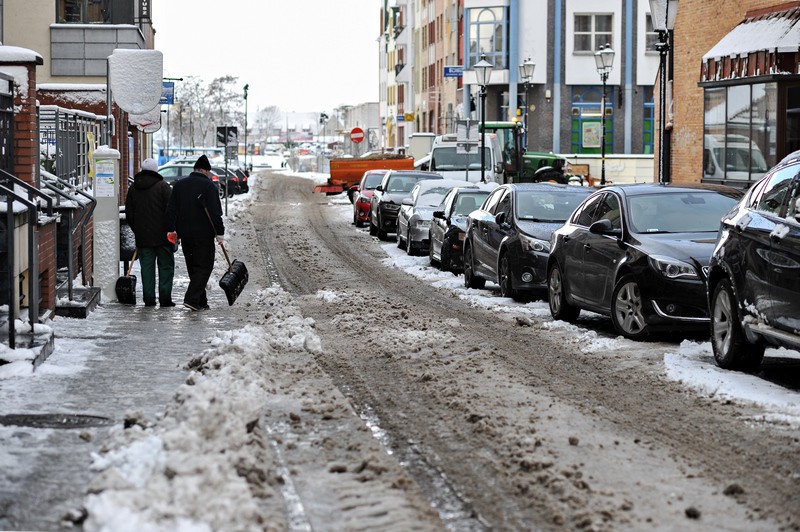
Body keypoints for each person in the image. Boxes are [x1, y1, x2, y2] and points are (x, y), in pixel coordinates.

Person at [166, 154, 225, 311]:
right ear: (205, 171)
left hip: (185, 235)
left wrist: (171, 228)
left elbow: (171, 210)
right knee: (204, 267)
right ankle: (192, 299)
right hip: (204, 235)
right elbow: (215, 213)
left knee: (193, 267)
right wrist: (220, 233)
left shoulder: (180, 185)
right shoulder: (209, 187)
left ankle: (201, 301)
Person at [125, 158, 175, 307]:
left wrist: (138, 229)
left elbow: (129, 213)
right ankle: (165, 299)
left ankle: (149, 299)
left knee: (147, 269)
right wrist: (171, 230)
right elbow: (171, 211)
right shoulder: (163, 187)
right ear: (156, 170)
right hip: (163, 238)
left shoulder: (133, 188)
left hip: (143, 238)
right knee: (165, 267)